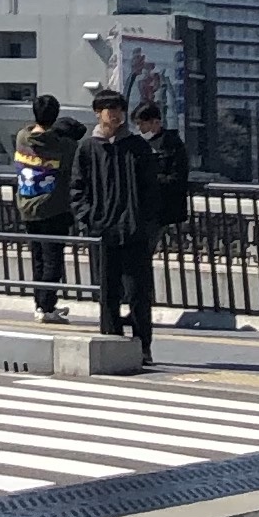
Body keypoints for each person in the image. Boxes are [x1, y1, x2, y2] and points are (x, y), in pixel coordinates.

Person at [73, 84, 160, 352]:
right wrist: (87, 217)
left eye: (119, 109)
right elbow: (77, 188)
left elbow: (151, 188)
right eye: (109, 109)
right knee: (108, 293)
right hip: (102, 232)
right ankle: (111, 344)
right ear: (98, 113)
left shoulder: (137, 147)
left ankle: (142, 347)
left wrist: (146, 221)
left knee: (138, 294)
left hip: (134, 231)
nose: (115, 114)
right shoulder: (88, 148)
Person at [12, 91, 79, 320]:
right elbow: (76, 137)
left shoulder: (22, 137)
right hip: (54, 208)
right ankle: (47, 307)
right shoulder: (64, 146)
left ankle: (40, 305)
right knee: (53, 260)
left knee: (39, 258)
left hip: (27, 206)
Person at [134, 86, 191, 234]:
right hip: (143, 207)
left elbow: (177, 177)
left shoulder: (172, 144)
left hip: (162, 208)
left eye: (142, 124)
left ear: (155, 123)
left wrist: (150, 180)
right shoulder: (138, 143)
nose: (139, 128)